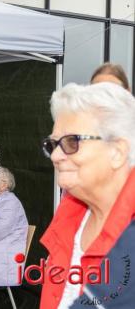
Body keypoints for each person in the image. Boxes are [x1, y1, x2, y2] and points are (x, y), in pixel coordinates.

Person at [39, 82, 135, 309]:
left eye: (72, 142)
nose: (55, 157)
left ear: (117, 151)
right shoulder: (69, 216)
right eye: (53, 144)